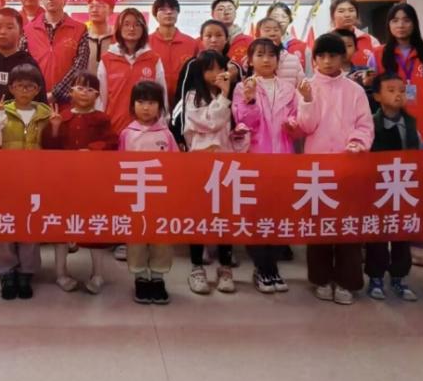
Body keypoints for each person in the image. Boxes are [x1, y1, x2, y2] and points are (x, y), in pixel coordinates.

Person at [296, 32, 374, 306]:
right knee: (319, 223)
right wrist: (307, 100)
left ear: (343, 58)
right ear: (315, 59)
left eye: (333, 56)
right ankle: (320, 278)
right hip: (317, 167)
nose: (327, 61)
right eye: (322, 56)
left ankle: (347, 280)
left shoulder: (355, 90)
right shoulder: (307, 87)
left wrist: (357, 143)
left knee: (347, 224)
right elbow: (305, 127)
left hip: (349, 164)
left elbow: (365, 124)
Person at [377, 1, 423, 268]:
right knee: (389, 191)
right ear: (388, 25)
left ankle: (418, 244)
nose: (400, 25)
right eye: (395, 20)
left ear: (414, 23)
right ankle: (388, 241)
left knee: (421, 192)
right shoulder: (378, 55)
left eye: (406, 20)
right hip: (389, 135)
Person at [42, 71, 116, 294]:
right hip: (64, 181)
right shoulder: (62, 116)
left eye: (90, 89)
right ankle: (61, 273)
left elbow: (111, 143)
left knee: (95, 226)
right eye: (80, 88)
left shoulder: (102, 118)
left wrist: (92, 150)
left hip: (93, 182)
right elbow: (49, 147)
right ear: (71, 91)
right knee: (61, 227)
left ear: (97, 95)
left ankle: (98, 274)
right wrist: (55, 127)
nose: (84, 93)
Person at [232, 38, 296, 293]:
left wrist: (294, 124)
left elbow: (298, 121)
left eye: (271, 55)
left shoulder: (289, 89)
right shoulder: (243, 87)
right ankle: (263, 268)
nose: (266, 59)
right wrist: (249, 101)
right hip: (255, 158)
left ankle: (272, 267)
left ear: (279, 60)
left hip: (283, 159)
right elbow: (243, 122)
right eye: (260, 54)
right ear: (250, 60)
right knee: (256, 215)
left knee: (278, 215)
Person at [0, 64, 52, 300]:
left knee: (30, 225)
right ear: (11, 87)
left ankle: (26, 272)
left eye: (30, 86)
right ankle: (6, 271)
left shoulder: (46, 115)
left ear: (38, 89)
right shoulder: (1, 112)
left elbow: (54, 147)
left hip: (35, 180)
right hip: (5, 179)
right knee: (4, 225)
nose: (24, 90)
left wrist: (56, 127)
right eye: (19, 85)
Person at [182, 50, 245, 295]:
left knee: (225, 216)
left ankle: (225, 267)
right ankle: (197, 268)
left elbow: (239, 125)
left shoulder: (236, 95)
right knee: (198, 216)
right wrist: (224, 96)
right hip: (200, 164)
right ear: (200, 72)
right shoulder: (192, 97)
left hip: (227, 164)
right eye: (209, 69)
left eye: (220, 68)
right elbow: (210, 121)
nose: (216, 74)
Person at [119, 80, 178, 305]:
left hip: (160, 196)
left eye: (152, 103)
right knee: (137, 237)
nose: (146, 108)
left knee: (161, 236)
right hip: (135, 196)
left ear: (160, 106)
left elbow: (176, 166)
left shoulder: (166, 135)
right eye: (141, 102)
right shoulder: (127, 134)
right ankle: (140, 277)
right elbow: (119, 166)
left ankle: (158, 277)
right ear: (132, 105)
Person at [365, 73, 421, 302]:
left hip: (403, 188)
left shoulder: (411, 125)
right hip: (378, 189)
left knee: (401, 234)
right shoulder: (370, 124)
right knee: (377, 234)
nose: (398, 95)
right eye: (391, 90)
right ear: (377, 96)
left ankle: (399, 276)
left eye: (401, 90)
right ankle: (375, 276)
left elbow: (420, 155)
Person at [170, 19, 240, 147]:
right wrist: (178, 136)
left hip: (228, 138)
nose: (213, 40)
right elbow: (181, 99)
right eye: (208, 36)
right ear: (201, 39)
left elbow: (240, 101)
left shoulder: (234, 66)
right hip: (198, 136)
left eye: (219, 35)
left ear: (227, 39)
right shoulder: (193, 64)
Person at [98, 7, 166, 135]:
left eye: (137, 24)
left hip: (146, 132)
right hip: (114, 130)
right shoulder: (107, 59)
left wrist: (162, 126)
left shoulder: (153, 59)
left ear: (144, 29)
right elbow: (101, 99)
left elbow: (162, 97)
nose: (131, 28)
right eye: (126, 24)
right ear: (119, 28)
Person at [24, 0, 88, 107]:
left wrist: (55, 94)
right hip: (34, 101)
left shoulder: (80, 29)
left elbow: (79, 67)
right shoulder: (28, 30)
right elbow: (23, 66)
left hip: (69, 103)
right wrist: (36, 93)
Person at [0, 7, 46, 107]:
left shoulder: (30, 65)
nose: (3, 32)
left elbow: (40, 104)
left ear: (21, 32)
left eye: (9, 27)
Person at [148, 0, 199, 108]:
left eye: (173, 9)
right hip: (153, 100)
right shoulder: (146, 43)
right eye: (163, 9)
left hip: (185, 101)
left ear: (178, 13)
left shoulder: (191, 43)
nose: (169, 12)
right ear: (155, 15)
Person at [329, 0, 377, 68]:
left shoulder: (370, 40)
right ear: (332, 16)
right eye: (341, 11)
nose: (347, 15)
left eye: (351, 10)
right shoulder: (326, 40)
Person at [256, 16, 305, 86]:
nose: (272, 33)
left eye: (276, 30)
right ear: (258, 35)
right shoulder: (251, 60)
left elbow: (302, 87)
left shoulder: (293, 60)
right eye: (267, 30)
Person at [266, 2, 308, 67]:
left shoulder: (303, 48)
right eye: (275, 17)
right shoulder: (259, 46)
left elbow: (309, 73)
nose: (279, 20)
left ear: (289, 19)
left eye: (284, 16)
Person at [85, 0, 117, 75]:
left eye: (100, 6)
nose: (94, 10)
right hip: (86, 83)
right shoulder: (82, 37)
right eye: (91, 6)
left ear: (111, 10)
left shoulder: (118, 37)